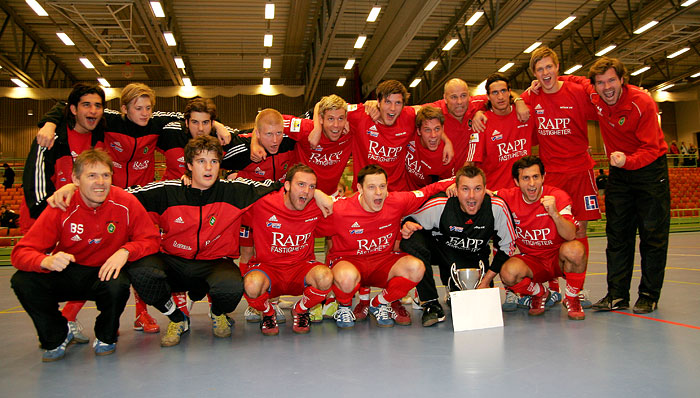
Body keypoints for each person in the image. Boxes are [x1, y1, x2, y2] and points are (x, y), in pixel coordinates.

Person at [10, 149, 160, 362]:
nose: (100, 182)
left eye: (106, 175)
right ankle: (57, 335)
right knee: (23, 281)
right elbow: (20, 253)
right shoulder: (61, 205)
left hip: (104, 273)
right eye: (91, 176)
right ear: (75, 179)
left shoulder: (125, 203)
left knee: (118, 283)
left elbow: (152, 239)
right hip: (69, 271)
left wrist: (125, 250)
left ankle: (105, 336)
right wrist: (45, 260)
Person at [570, 57, 669, 313]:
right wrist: (538, 85)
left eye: (612, 80)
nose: (607, 87)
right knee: (617, 236)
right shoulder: (594, 95)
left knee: (652, 237)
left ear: (622, 80)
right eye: (601, 82)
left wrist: (628, 160)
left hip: (649, 170)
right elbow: (572, 80)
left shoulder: (642, 102)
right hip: (620, 172)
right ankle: (617, 294)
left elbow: (652, 148)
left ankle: (648, 294)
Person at [316, 164, 455, 328]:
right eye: (371, 187)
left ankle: (379, 302)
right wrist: (315, 193)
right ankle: (344, 306)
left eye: (382, 186)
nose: (378, 192)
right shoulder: (339, 209)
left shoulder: (396, 201)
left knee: (416, 267)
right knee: (346, 276)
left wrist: (456, 182)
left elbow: (428, 190)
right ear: (359, 188)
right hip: (349, 263)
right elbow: (301, 216)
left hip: (382, 262)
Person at [399, 165, 516, 326]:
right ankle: (430, 302)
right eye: (465, 189)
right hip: (442, 250)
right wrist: (407, 225)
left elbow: (507, 246)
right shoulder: (441, 204)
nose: (472, 196)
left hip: (472, 258)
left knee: (475, 310)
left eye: (477, 189)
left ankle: (453, 290)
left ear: (485, 189)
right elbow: (410, 219)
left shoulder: (497, 207)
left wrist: (485, 281)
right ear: (456, 190)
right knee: (410, 239)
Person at [243, 164, 333, 335]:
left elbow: (350, 209)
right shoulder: (262, 204)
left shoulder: (317, 207)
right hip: (268, 269)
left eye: (312, 186)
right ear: (286, 185)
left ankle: (300, 309)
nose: (306, 191)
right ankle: (268, 313)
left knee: (325, 276)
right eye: (301, 184)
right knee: (252, 285)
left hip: (301, 268)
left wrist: (324, 197)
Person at [497, 156, 588, 320]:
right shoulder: (507, 197)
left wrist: (554, 214)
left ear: (543, 177)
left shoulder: (557, 197)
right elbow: (481, 192)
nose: (532, 183)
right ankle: (540, 292)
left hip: (556, 259)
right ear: (516, 182)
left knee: (575, 250)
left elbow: (571, 235)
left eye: (536, 177)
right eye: (525, 178)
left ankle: (572, 298)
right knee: (508, 273)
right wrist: (452, 185)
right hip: (532, 262)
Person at [21, 83, 106, 233]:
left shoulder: (100, 136)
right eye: (86, 105)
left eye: (98, 106)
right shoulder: (49, 138)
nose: (93, 111)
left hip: (76, 225)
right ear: (73, 109)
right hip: (43, 223)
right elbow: (35, 192)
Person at [348, 80, 453, 191]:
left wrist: (446, 140)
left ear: (403, 105)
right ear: (379, 102)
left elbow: (432, 115)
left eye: (398, 103)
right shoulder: (362, 115)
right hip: (365, 193)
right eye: (387, 102)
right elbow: (335, 108)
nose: (392, 108)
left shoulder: (408, 116)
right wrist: (369, 104)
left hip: (398, 193)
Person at [471, 73, 534, 190]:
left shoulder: (525, 114)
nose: (500, 97)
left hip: (525, 192)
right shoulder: (481, 124)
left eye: (503, 91)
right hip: (496, 194)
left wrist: (519, 100)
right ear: (488, 96)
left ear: (509, 92)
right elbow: (471, 163)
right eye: (495, 93)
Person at [404, 106, 456, 190]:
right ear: (418, 131)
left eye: (437, 129)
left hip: (422, 196)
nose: (433, 135)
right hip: (398, 188)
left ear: (443, 129)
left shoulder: (446, 157)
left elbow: (445, 188)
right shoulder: (410, 131)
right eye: (427, 130)